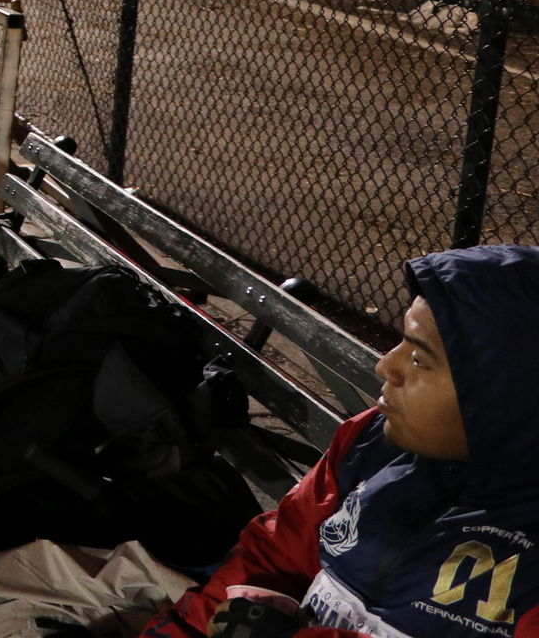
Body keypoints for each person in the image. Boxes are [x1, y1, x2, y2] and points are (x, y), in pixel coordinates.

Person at [136, 243, 539, 638]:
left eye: (419, 359)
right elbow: (275, 555)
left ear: (505, 396)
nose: (385, 365)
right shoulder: (373, 443)